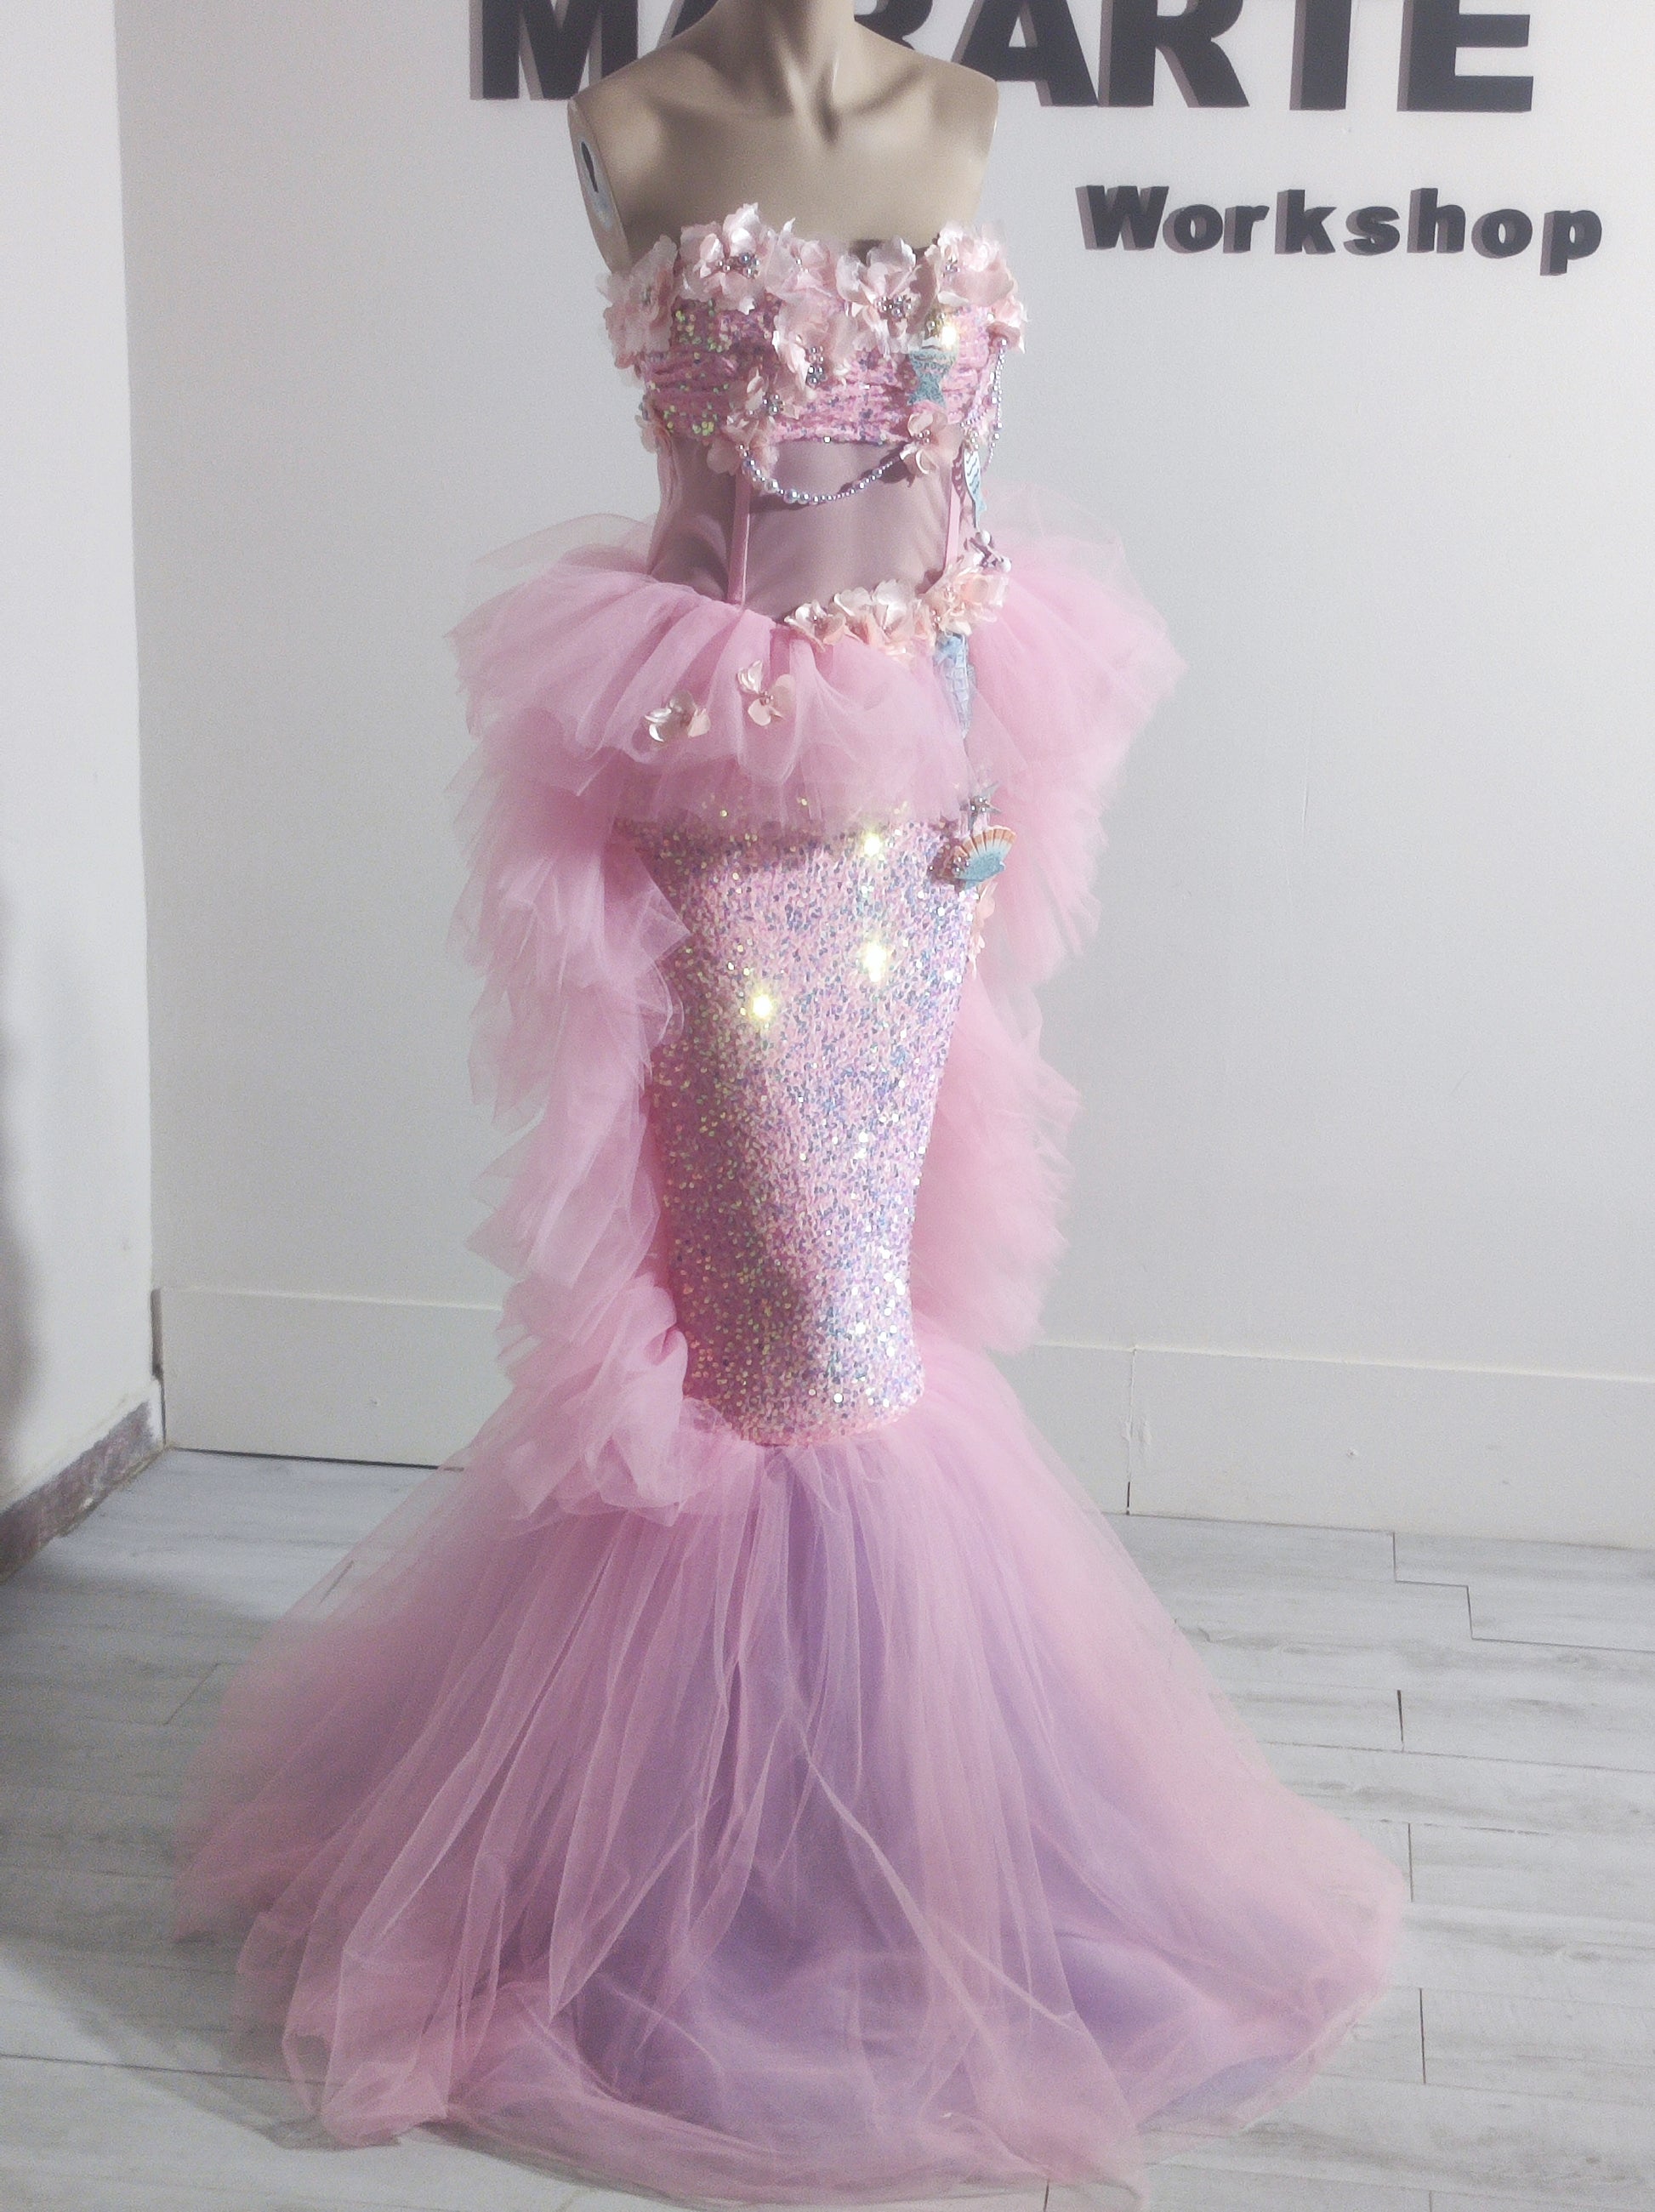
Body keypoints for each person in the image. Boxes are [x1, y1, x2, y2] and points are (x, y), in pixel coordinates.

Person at [176, 4, 1404, 2203]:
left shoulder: (955, 105)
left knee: (861, 1316)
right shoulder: (628, 117)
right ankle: (720, 1865)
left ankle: (879, 1829)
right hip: (732, 793)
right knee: (788, 1335)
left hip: (931, 788)